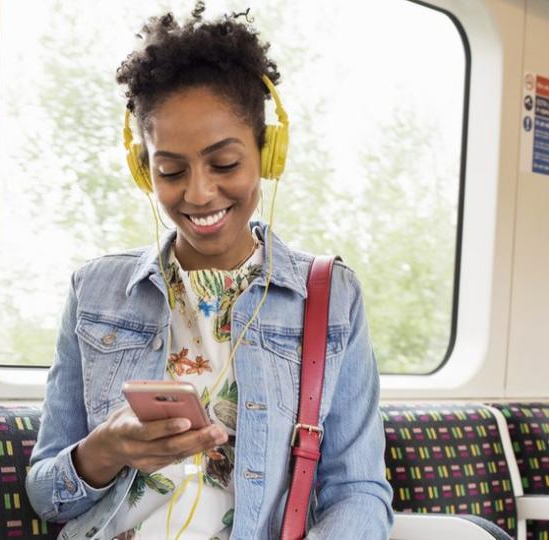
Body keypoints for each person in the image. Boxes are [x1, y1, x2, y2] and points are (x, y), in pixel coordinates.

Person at [25, 4, 393, 539]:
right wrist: (101, 452)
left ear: (268, 155)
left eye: (224, 164)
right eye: (171, 170)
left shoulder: (331, 297)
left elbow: (357, 492)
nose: (198, 193)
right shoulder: (95, 292)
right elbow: (46, 495)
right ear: (141, 168)